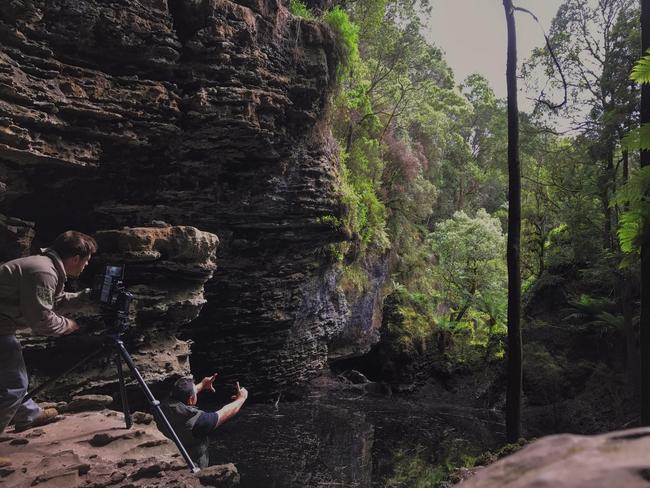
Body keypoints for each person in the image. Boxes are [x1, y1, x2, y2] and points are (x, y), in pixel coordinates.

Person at [0, 230, 97, 433]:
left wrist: (86, 298)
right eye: (86, 261)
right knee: (15, 384)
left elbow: (56, 300)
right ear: (75, 258)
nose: (86, 265)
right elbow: (41, 320)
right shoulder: (44, 272)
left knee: (10, 376)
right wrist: (69, 326)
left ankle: (28, 414)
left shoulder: (46, 266)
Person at [159, 373, 248, 468]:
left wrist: (202, 385)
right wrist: (241, 399)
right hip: (192, 466)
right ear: (191, 400)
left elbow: (185, 395)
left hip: (169, 459)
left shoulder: (162, 406)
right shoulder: (197, 421)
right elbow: (224, 413)